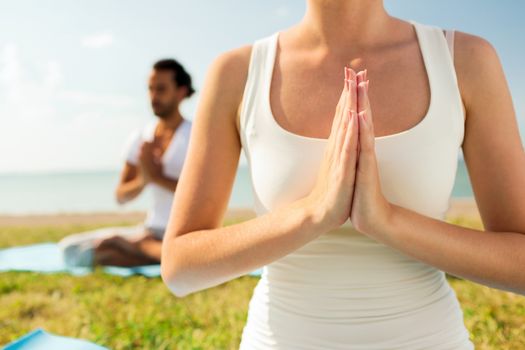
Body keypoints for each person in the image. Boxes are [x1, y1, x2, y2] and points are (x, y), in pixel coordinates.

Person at [160, 1, 525, 348]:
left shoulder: (464, 60)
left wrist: (387, 221)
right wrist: (314, 212)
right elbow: (179, 267)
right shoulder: (238, 72)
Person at [58, 58, 194, 268]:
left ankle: (142, 248)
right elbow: (121, 196)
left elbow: (200, 194)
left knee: (104, 252)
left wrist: (157, 177)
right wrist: (143, 179)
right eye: (150, 89)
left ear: (181, 91)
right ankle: (148, 250)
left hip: (186, 233)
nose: (153, 96)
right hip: (151, 230)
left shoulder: (195, 136)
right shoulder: (141, 137)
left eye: (161, 89)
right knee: (71, 247)